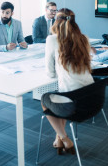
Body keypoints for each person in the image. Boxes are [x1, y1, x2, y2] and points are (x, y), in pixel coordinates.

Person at [41, 8, 94, 155]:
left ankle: (65, 139)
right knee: (61, 95)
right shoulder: (83, 38)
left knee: (45, 100)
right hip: (92, 100)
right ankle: (58, 139)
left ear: (56, 22)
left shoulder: (52, 39)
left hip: (72, 103)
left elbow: (50, 73)